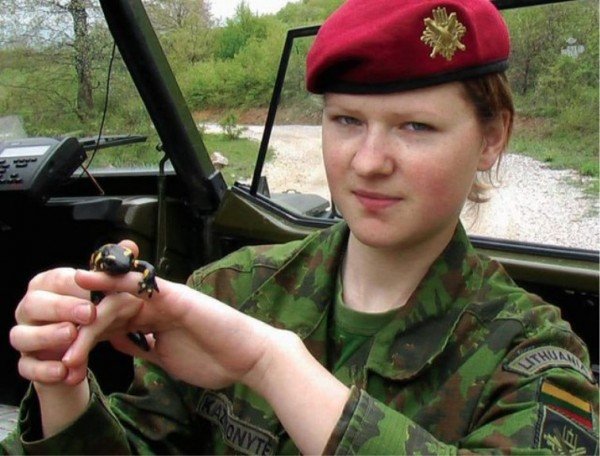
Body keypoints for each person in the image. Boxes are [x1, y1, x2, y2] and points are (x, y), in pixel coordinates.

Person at [2, 0, 598, 453]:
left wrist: (272, 364)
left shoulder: (535, 358)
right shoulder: (230, 292)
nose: (368, 161)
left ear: (492, 138)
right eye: (346, 120)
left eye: (415, 126)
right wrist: (62, 378)